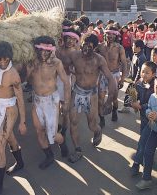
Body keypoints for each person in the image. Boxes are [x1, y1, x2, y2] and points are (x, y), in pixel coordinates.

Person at [68, 34, 116, 163]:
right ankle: (78, 149)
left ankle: (98, 131)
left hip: (91, 95)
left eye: (89, 47)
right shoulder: (74, 55)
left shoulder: (99, 60)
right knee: (73, 122)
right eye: (84, 45)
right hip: (77, 92)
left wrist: (110, 100)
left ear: (94, 47)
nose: (85, 49)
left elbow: (111, 79)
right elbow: (64, 66)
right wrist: (73, 70)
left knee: (92, 124)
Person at [0, 41, 27, 195]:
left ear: (10, 57)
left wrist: (23, 122)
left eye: (6, 59)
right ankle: (20, 162)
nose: (3, 62)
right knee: (9, 138)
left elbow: (21, 99)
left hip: (9, 110)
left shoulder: (14, 75)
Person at [27, 36, 71, 168]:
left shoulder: (56, 63)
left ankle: (62, 144)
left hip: (51, 101)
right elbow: (28, 82)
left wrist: (66, 102)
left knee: (52, 134)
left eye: (46, 50)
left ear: (51, 50)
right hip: (37, 100)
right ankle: (49, 156)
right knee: (39, 130)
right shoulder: (32, 62)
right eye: (40, 50)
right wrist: (29, 72)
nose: (43, 53)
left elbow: (66, 83)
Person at [130, 61, 156, 176]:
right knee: (145, 139)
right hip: (143, 116)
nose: (144, 74)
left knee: (144, 140)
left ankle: (136, 162)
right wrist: (132, 102)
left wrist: (141, 106)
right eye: (142, 71)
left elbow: (156, 102)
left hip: (153, 118)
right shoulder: (138, 83)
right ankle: (146, 157)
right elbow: (130, 95)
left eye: (147, 72)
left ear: (153, 74)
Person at [97, 28, 128, 123]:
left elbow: (124, 64)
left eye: (112, 34)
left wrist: (122, 79)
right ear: (105, 35)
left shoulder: (119, 48)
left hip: (114, 75)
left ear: (116, 36)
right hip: (102, 75)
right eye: (108, 34)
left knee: (114, 98)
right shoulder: (100, 47)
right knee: (100, 99)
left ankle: (114, 111)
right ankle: (101, 118)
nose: (110, 36)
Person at [55, 27, 81, 140]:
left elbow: (77, 71)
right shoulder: (57, 50)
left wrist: (73, 84)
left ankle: (64, 131)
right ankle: (55, 128)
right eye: (68, 38)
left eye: (73, 39)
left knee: (65, 110)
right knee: (55, 108)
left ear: (76, 40)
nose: (70, 41)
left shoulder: (75, 53)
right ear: (63, 38)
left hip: (66, 81)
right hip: (54, 81)